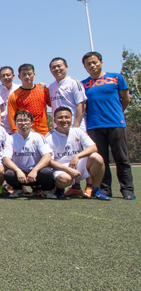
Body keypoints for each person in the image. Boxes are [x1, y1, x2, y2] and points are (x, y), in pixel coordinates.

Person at [81, 51, 135, 200]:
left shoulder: (116, 78)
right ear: (84, 67)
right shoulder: (83, 84)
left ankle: (127, 190)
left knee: (121, 158)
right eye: (88, 64)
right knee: (101, 160)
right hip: (94, 126)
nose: (92, 65)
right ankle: (104, 190)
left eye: (94, 62)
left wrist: (117, 114)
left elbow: (126, 99)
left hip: (115, 123)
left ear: (101, 62)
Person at [45, 107, 110, 200]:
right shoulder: (49, 137)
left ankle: (96, 190)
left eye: (67, 117)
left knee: (97, 157)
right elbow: (48, 161)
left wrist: (77, 156)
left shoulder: (78, 131)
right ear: (54, 120)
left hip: (78, 166)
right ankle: (59, 189)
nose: (64, 120)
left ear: (71, 118)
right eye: (60, 117)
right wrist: (68, 169)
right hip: (61, 169)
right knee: (64, 179)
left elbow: (93, 147)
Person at [48, 57, 89, 196]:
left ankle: (88, 186)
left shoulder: (74, 82)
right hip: (59, 128)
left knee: (83, 157)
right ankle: (70, 186)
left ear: (66, 67)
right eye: (53, 67)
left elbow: (81, 104)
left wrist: (76, 125)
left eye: (59, 66)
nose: (57, 69)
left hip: (75, 126)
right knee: (65, 155)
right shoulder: (51, 86)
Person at [3, 110, 56, 199]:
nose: (23, 123)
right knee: (9, 174)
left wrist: (35, 170)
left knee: (47, 172)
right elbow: (6, 159)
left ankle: (46, 191)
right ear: (15, 123)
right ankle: (18, 190)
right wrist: (18, 171)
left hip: (36, 173)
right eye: (20, 120)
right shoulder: (10, 138)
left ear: (31, 123)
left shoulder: (38, 137)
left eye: (26, 120)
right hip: (20, 174)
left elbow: (47, 156)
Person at [7, 64, 51, 135]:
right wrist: (16, 132)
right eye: (24, 74)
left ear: (34, 75)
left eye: (29, 74)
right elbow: (12, 118)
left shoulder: (44, 90)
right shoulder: (14, 95)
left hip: (44, 133)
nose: (27, 77)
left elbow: (54, 105)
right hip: (25, 133)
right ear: (19, 76)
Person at [0, 66, 20, 134]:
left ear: (13, 76)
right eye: (3, 76)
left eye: (8, 75)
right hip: (3, 129)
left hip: (19, 128)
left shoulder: (20, 88)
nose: (6, 77)